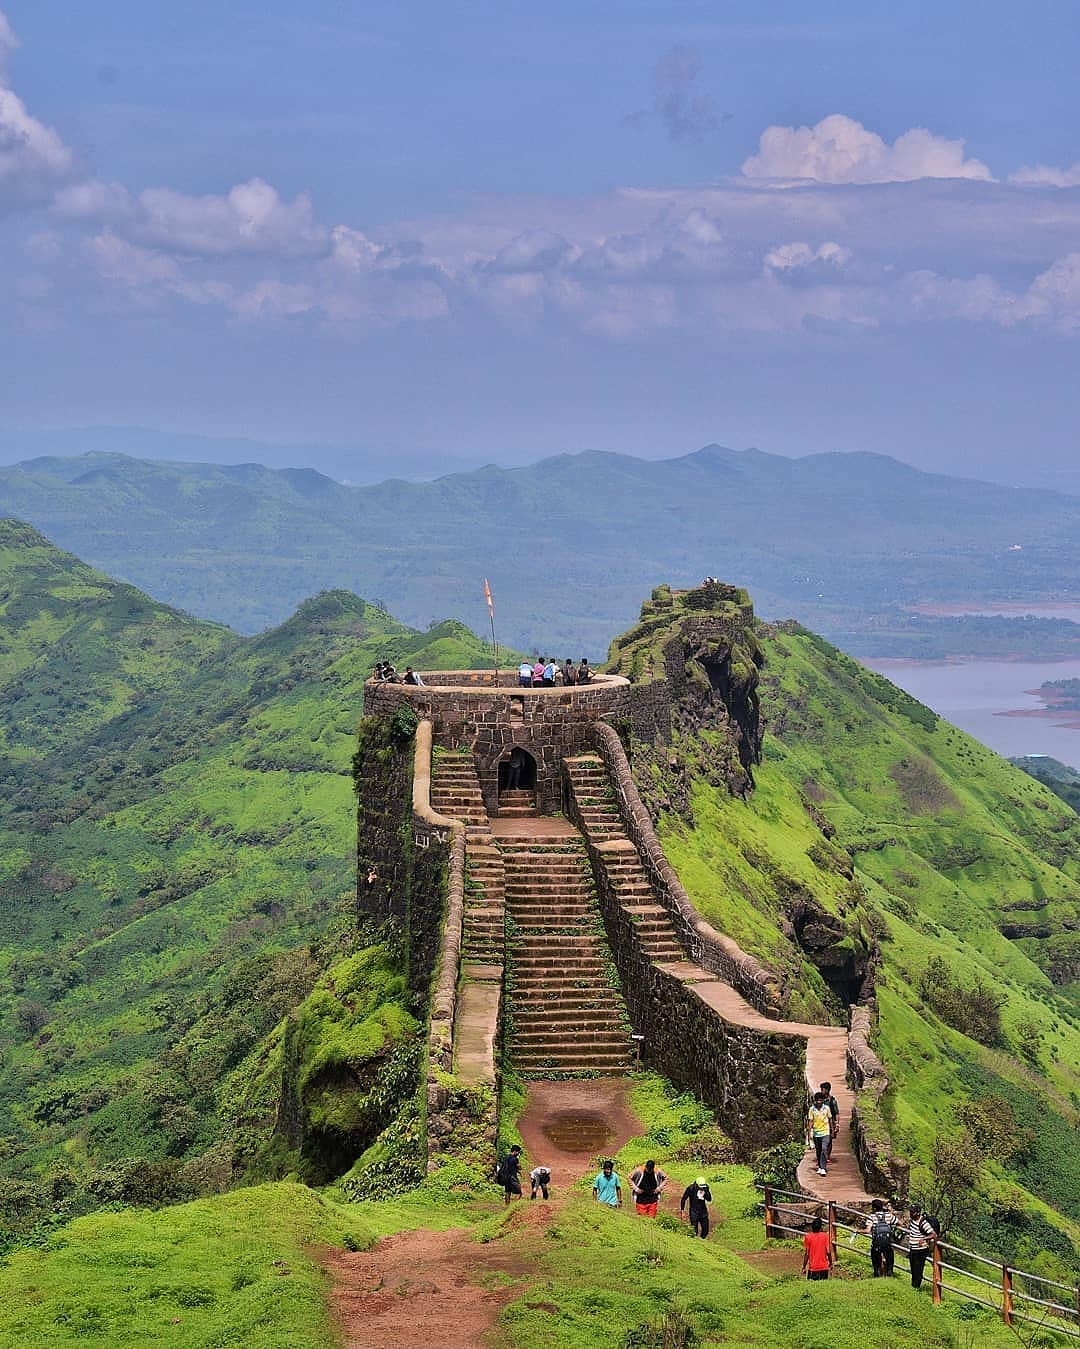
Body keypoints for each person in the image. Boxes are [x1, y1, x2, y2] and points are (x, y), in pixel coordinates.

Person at [906, 1205, 937, 1290]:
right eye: (910, 1212)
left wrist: (923, 1239)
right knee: (913, 1269)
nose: (911, 1214)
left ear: (918, 1213)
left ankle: (916, 1287)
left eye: (913, 1212)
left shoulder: (923, 1223)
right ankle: (913, 1286)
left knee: (918, 1270)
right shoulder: (912, 1221)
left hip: (921, 1250)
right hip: (913, 1249)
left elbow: (933, 1234)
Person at [865, 1199, 898, 1278]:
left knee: (876, 1261)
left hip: (876, 1243)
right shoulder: (889, 1215)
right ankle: (889, 1272)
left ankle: (877, 1274)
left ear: (874, 1208)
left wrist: (857, 1230)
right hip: (887, 1243)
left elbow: (867, 1230)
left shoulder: (872, 1217)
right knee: (889, 1257)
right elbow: (899, 1223)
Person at [807, 1091, 832, 1176]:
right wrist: (809, 1132)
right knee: (818, 1150)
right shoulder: (812, 1109)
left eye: (820, 1100)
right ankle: (820, 1167)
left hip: (825, 1132)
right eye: (817, 1100)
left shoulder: (827, 1108)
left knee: (824, 1149)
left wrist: (832, 1130)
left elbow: (830, 1119)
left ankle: (823, 1168)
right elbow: (810, 1121)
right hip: (816, 1133)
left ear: (823, 1100)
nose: (819, 1102)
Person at [802, 1216, 833, 1281]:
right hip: (824, 1268)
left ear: (812, 1226)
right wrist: (831, 1263)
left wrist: (804, 1267)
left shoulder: (808, 1237)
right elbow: (828, 1252)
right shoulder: (825, 1236)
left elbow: (807, 1254)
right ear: (820, 1227)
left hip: (813, 1268)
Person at [819, 1081, 840, 1161]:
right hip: (821, 1123)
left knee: (829, 1141)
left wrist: (837, 1124)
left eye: (822, 1089)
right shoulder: (820, 1100)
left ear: (827, 1090)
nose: (821, 1091)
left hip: (830, 1123)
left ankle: (827, 1157)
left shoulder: (832, 1101)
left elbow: (837, 1113)